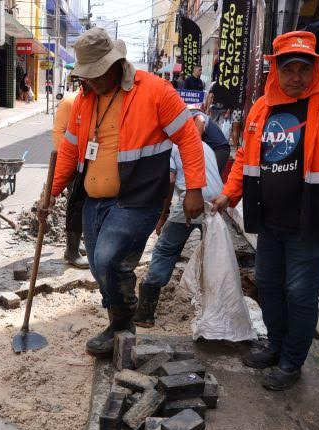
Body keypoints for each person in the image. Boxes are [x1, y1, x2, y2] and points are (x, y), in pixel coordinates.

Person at [211, 31, 319, 391]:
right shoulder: (261, 108)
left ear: (315, 69)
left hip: (313, 223)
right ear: (275, 69)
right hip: (270, 220)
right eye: (288, 69)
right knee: (270, 286)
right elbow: (244, 159)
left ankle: (292, 361)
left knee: (300, 293)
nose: (296, 77)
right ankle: (275, 345)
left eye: (304, 68)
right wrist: (230, 193)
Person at [40, 28, 206, 356]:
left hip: (137, 198)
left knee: (105, 258)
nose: (93, 81)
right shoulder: (85, 100)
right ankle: (119, 317)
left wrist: (194, 189)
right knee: (103, 267)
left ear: (116, 63)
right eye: (87, 75)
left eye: (98, 73)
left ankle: (122, 319)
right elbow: (71, 151)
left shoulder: (155, 91)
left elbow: (188, 137)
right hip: (93, 200)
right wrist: (52, 192)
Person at [134, 110, 224, 327]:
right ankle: (215, 310)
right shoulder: (207, 147)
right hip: (217, 204)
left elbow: (171, 181)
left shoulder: (175, 147)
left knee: (166, 249)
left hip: (191, 201)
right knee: (213, 255)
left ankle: (145, 313)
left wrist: (162, 216)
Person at [53, 85, 89, 269]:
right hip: (73, 164)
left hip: (86, 162)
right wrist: (68, 167)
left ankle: (77, 243)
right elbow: (59, 134)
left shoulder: (91, 101)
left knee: (82, 206)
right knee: (76, 206)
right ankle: (71, 251)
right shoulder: (70, 102)